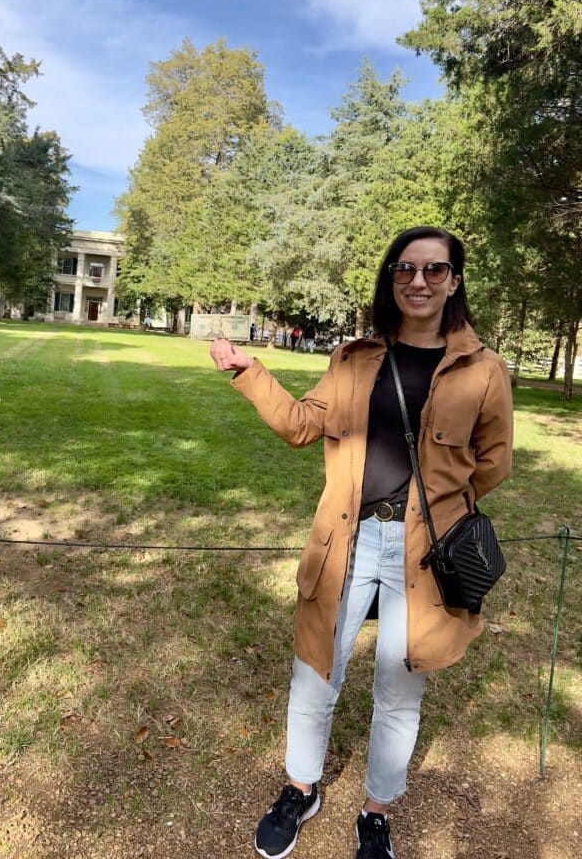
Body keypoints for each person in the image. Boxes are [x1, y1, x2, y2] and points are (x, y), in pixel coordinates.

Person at [209, 226, 513, 859]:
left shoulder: (484, 371)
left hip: (424, 554)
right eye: (405, 269)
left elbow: (494, 462)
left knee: (400, 689)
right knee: (315, 672)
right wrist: (250, 371)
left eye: (434, 270)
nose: (419, 281)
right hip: (345, 539)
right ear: (391, 279)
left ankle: (376, 809)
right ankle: (301, 788)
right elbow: (300, 425)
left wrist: (442, 508)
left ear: (454, 280)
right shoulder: (354, 358)